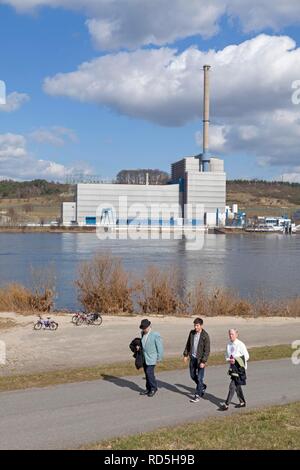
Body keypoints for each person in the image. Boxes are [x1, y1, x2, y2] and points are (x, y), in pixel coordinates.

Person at [220, 328, 249, 411]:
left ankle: (226, 404)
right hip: (233, 368)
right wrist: (229, 359)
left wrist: (236, 360)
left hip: (240, 368)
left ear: (237, 334)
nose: (230, 336)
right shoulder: (228, 344)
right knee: (237, 385)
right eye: (229, 334)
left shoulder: (240, 344)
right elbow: (226, 355)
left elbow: (247, 356)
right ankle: (242, 402)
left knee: (232, 386)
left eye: (232, 334)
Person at [183, 318, 210, 403]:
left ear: (201, 325)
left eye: (197, 325)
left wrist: (203, 361)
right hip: (193, 358)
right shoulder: (192, 333)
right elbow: (188, 344)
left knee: (200, 377)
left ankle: (197, 395)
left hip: (200, 360)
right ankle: (202, 386)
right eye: (194, 325)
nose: (195, 327)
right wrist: (185, 355)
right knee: (192, 375)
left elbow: (207, 350)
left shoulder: (205, 336)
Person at [139, 319, 163, 397]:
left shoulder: (155, 334)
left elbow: (160, 347)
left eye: (145, 328)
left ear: (149, 326)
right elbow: (143, 345)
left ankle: (153, 388)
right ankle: (148, 388)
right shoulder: (142, 333)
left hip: (152, 357)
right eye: (143, 328)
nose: (144, 329)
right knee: (147, 374)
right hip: (145, 358)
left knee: (149, 373)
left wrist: (159, 357)